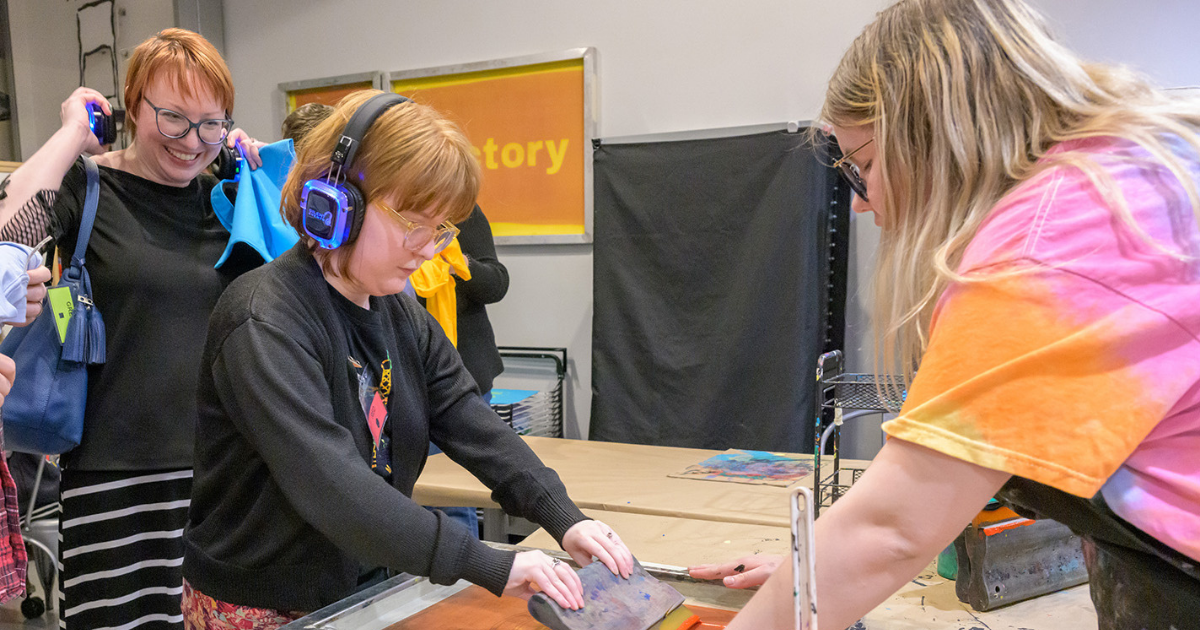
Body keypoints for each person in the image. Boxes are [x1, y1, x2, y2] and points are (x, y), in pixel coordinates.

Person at [694, 1, 1200, 628]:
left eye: (865, 166)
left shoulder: (1049, 244)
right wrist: (815, 577)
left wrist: (824, 579)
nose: (864, 201)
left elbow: (891, 530)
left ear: (928, 132)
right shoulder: (1126, 170)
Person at [180, 90, 634, 629]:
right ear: (336, 201)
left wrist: (563, 518)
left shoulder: (398, 308)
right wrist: (486, 563)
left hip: (362, 587)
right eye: (413, 223)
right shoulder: (263, 319)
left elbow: (468, 418)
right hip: (263, 602)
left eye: (441, 230)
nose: (430, 248)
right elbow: (333, 485)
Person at [0, 29, 267, 629]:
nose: (188, 142)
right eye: (171, 118)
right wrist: (73, 133)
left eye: (209, 124)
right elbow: (7, 231)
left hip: (226, 474)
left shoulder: (227, 196)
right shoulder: (91, 187)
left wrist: (255, 169)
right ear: (132, 105)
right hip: (112, 474)